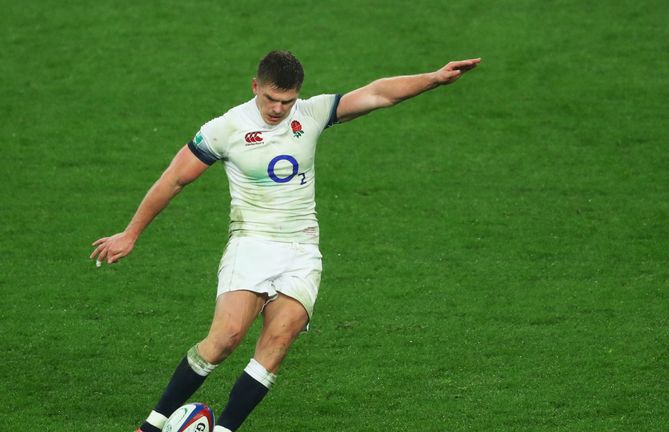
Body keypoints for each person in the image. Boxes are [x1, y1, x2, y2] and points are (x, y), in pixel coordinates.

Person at [90, 50, 480, 432]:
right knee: (225, 338)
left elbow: (378, 94)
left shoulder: (311, 114)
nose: (278, 109)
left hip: (302, 251)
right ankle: (152, 426)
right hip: (252, 242)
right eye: (271, 99)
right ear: (255, 86)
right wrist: (131, 233)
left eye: (287, 101)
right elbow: (174, 178)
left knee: (278, 340)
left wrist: (434, 78)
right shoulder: (226, 128)